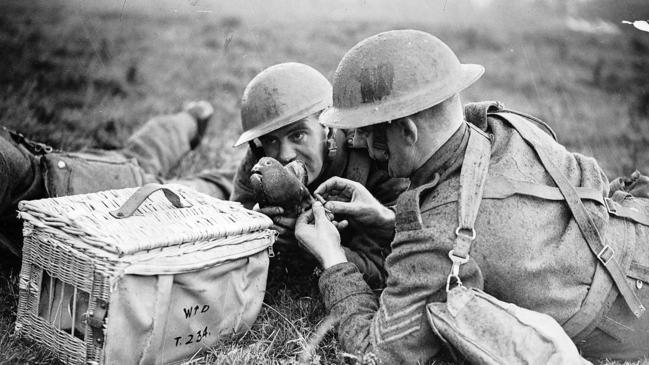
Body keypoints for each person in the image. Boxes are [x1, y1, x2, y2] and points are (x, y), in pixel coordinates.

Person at [294, 29, 649, 363]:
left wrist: (333, 258)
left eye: (371, 134)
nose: (366, 148)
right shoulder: (501, 126)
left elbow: (373, 354)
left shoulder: (437, 233)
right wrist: (389, 222)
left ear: (407, 131)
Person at [230, 62, 410, 289]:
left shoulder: (378, 157)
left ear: (326, 127)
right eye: (271, 140)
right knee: (210, 185)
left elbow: (387, 271)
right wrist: (258, 230)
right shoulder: (259, 164)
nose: (285, 155)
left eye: (298, 135)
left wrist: (317, 249)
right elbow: (234, 240)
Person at [0, 101, 233, 259]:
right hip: (59, 177)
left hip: (72, 191)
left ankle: (242, 170)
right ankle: (189, 120)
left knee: (190, 196)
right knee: (135, 158)